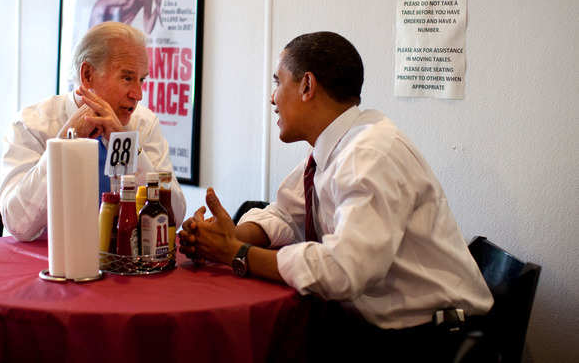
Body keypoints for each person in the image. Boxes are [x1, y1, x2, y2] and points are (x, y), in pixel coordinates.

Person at [179, 31, 493, 360]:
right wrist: (229, 236)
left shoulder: (370, 154)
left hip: (431, 341)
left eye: (278, 82)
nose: (272, 98)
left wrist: (236, 254)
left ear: (307, 86)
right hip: (382, 330)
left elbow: (344, 271)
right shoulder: (338, 147)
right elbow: (285, 213)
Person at [0, 22, 186, 242]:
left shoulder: (143, 124)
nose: (138, 94)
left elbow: (176, 214)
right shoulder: (32, 124)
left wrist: (129, 147)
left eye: (141, 80)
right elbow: (18, 225)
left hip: (119, 264)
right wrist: (63, 145)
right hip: (39, 265)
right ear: (87, 75)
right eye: (127, 78)